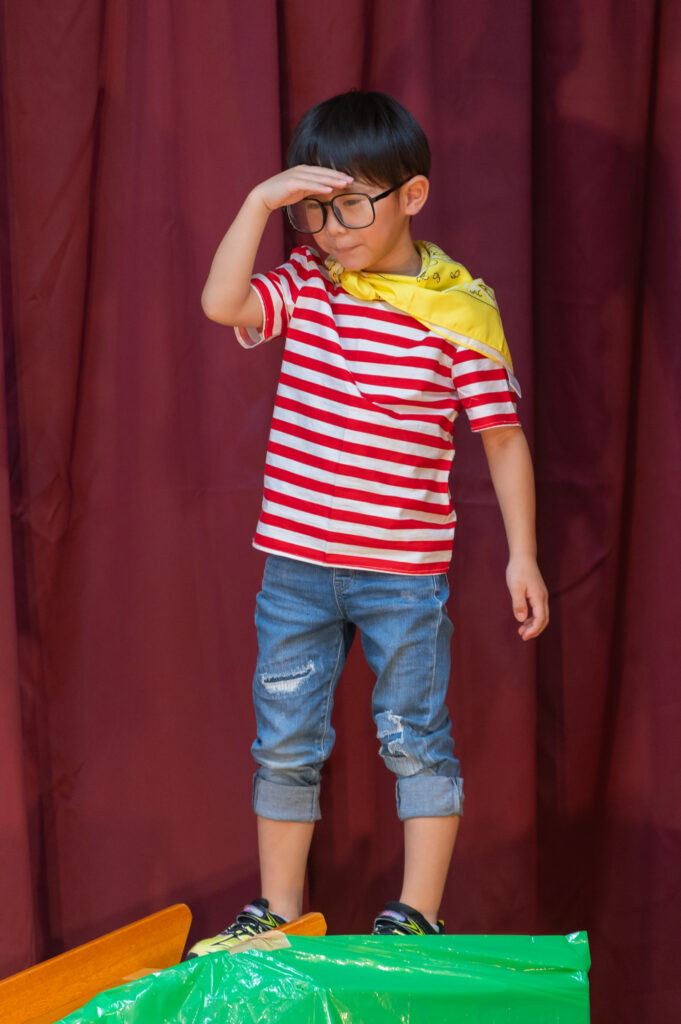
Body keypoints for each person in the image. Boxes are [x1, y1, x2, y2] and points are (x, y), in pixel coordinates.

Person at [187, 90, 548, 956]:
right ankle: (277, 911)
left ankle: (416, 913)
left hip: (401, 573)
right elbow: (221, 305)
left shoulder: (458, 313)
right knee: (284, 741)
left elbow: (502, 441)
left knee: (414, 739)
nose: (331, 229)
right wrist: (257, 203)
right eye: (313, 209)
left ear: (411, 195)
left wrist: (522, 556)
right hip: (297, 565)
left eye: (351, 205)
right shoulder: (310, 284)